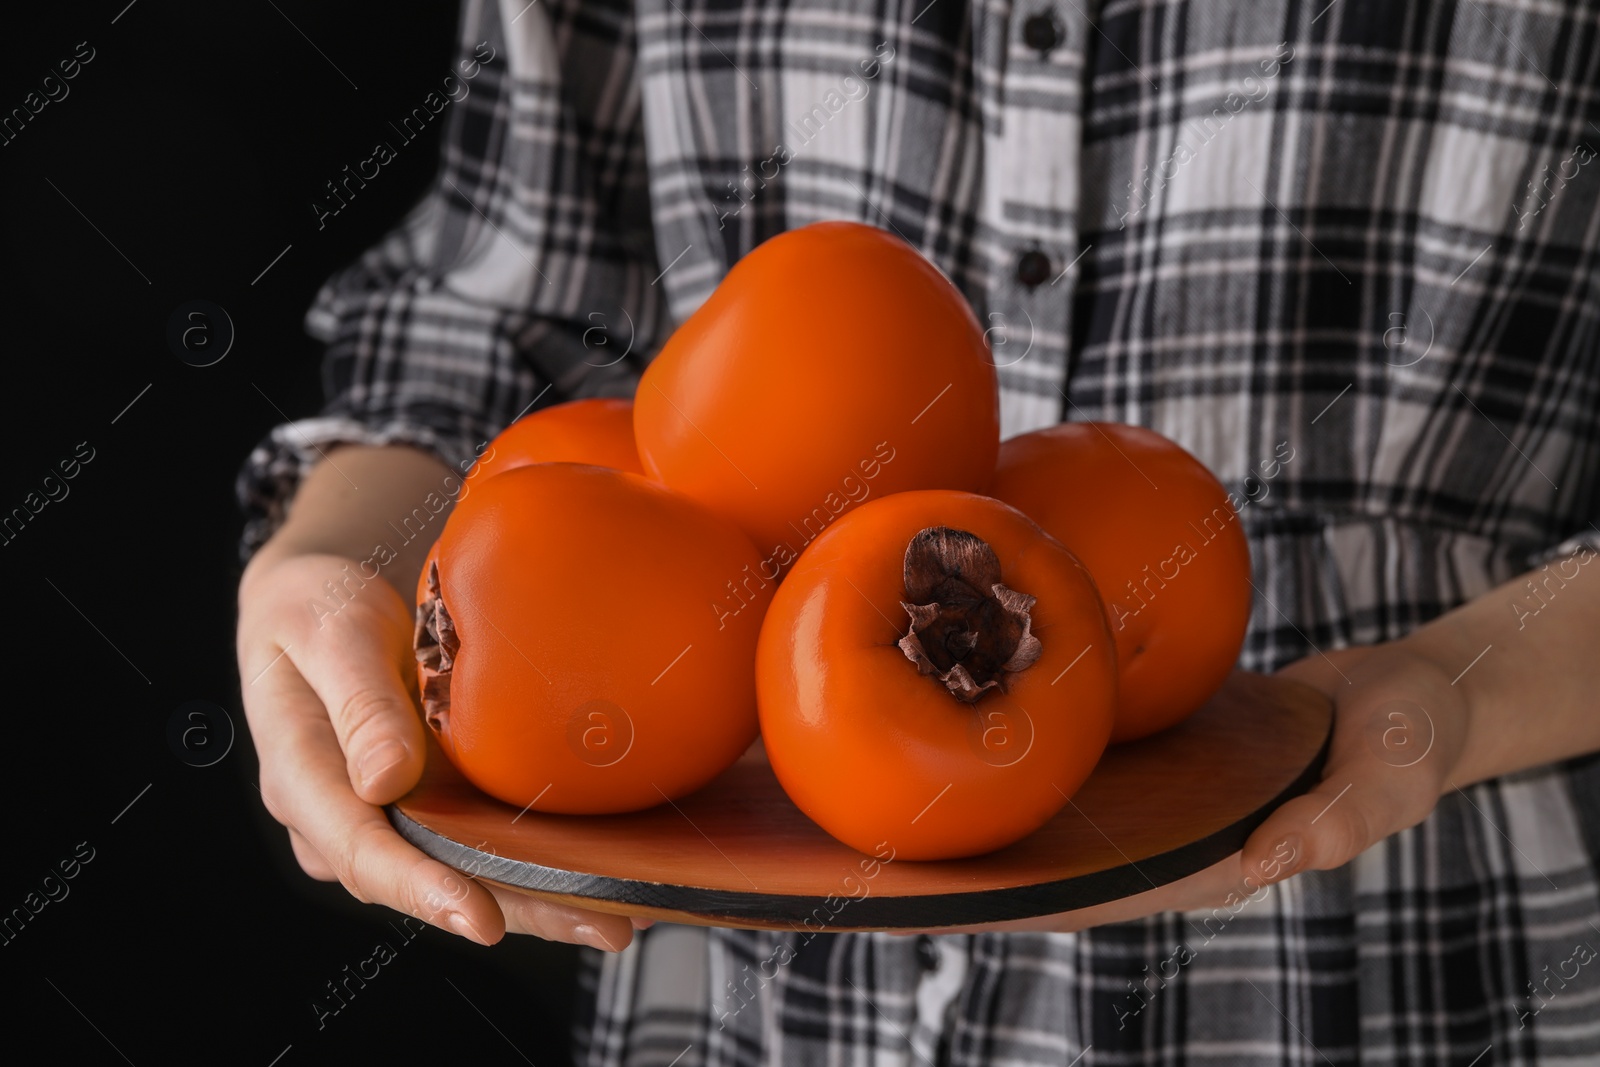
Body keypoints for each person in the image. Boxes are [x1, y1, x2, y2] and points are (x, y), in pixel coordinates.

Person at [235, 0, 1600, 1062]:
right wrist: (335, 562)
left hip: (1417, 959)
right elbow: (491, 297)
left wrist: (1463, 696)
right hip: (753, 1001)